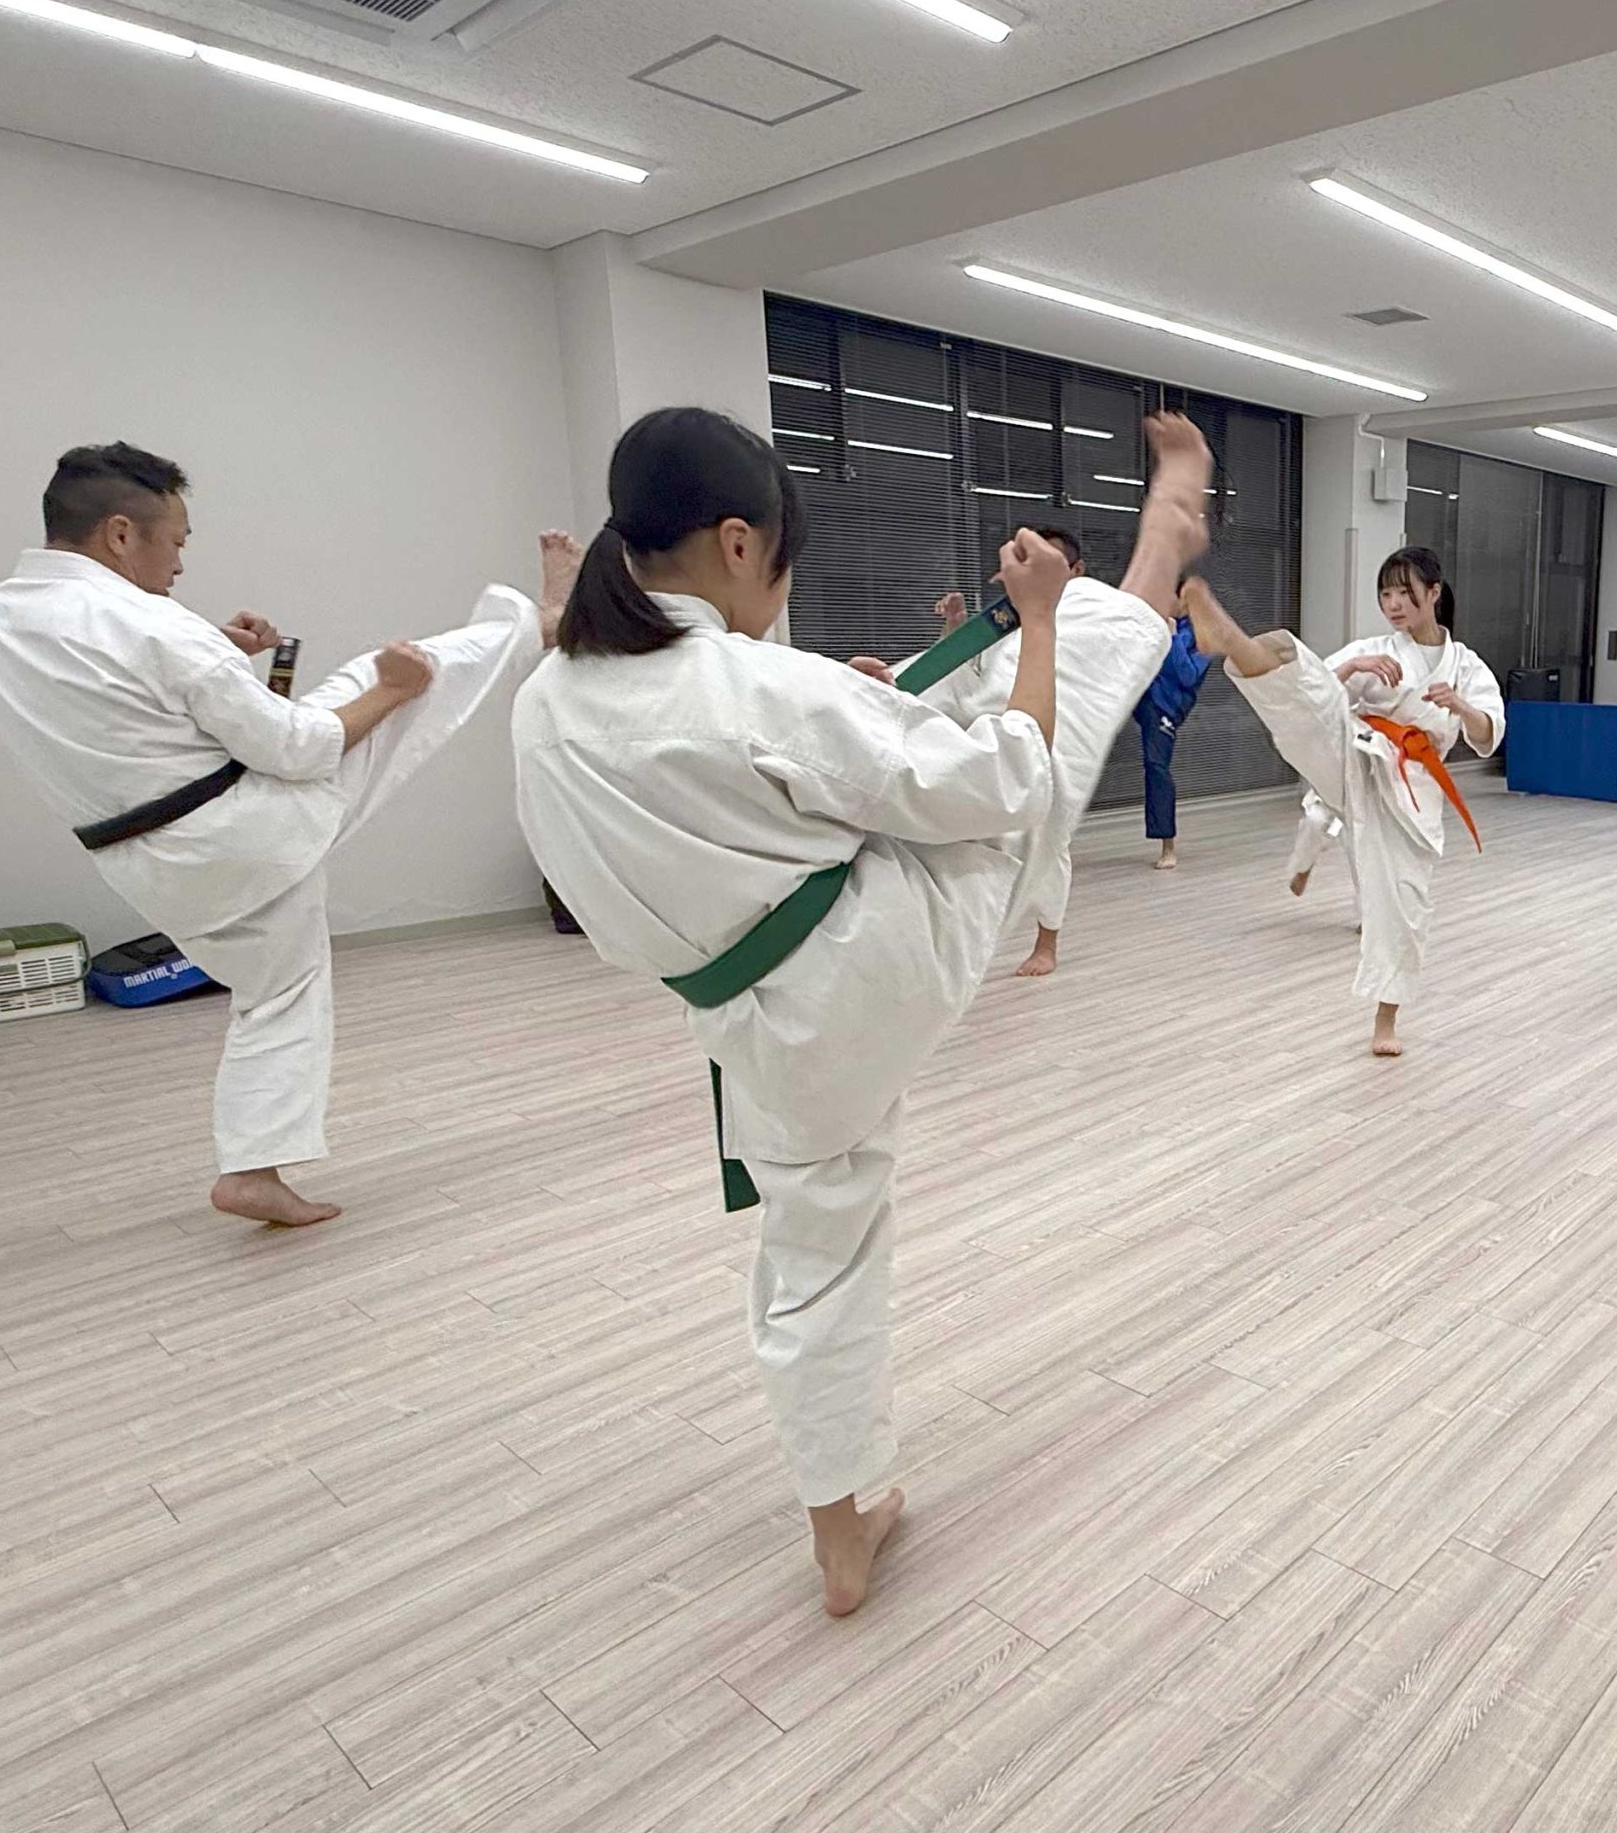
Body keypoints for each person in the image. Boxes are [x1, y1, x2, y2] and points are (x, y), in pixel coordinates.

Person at [512, 407, 1207, 1617]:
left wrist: (872, 713)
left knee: (812, 1252)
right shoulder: (752, 686)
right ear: (739, 542)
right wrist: (1033, 619)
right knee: (1067, 692)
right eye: (783, 556)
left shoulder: (549, 701)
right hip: (866, 969)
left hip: (742, 1006)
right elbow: (1002, 786)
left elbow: (753, 790)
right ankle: (1159, 540)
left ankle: (844, 1517)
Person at [0, 443, 573, 1228]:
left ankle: (252, 1171)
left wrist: (222, 651)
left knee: (277, 993)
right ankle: (537, 624)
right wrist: (391, 691)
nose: (180, 563)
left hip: (140, 860)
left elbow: (116, 698)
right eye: (176, 541)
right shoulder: (154, 624)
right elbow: (300, 749)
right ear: (120, 534)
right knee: (372, 683)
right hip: (245, 829)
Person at [1179, 546, 1503, 1058]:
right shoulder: (1374, 648)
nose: (1394, 603)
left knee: (1403, 906)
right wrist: (1352, 665)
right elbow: (1318, 697)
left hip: (1414, 789)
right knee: (1303, 695)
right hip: (1355, 753)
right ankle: (1226, 635)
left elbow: (1488, 732)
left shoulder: (1467, 665)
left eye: (1404, 592)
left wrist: (1460, 703)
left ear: (1434, 593)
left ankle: (1385, 1018)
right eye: (1386, 593)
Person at [918, 526, 1087, 976]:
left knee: (1050, 843)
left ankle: (1046, 943)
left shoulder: (1082, 618)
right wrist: (955, 628)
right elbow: (966, 679)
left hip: (1054, 743)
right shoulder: (1003, 620)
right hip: (997, 741)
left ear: (1074, 571)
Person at [1136, 601, 1213, 869]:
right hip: (1135, 693)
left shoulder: (1204, 634)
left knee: (1156, 767)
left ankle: (1168, 847)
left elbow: (1188, 675)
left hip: (1165, 706)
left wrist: (1172, 636)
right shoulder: (1150, 620)